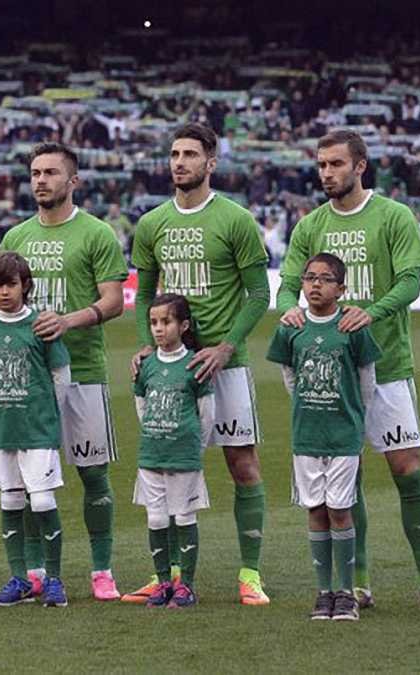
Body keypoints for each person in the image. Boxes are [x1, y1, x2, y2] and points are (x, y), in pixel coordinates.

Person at [277, 130, 420, 615]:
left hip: (389, 367)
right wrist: (288, 308)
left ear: (360, 166)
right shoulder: (310, 225)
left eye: (336, 164)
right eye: (321, 165)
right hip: (330, 378)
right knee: (344, 483)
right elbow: (288, 284)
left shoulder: (394, 216)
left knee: (407, 470)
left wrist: (371, 313)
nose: (326, 173)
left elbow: (411, 282)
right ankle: (356, 584)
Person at [0, 143, 128, 601]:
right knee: (23, 482)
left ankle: (101, 570)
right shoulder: (15, 235)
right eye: (35, 172)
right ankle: (35, 573)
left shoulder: (96, 233)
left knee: (92, 473)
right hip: (26, 383)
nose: (41, 180)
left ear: (72, 181)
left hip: (83, 371)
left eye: (51, 173)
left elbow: (113, 301)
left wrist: (66, 321)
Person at [130, 122, 272, 606]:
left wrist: (226, 347)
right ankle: (170, 576)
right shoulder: (152, 223)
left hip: (224, 365)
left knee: (242, 464)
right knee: (168, 468)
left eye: (190, 154)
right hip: (171, 367)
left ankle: (250, 574)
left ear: (211, 163)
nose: (179, 162)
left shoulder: (236, 219)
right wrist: (146, 345)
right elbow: (143, 295)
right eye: (174, 154)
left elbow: (259, 294)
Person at [267, 253, 381, 622]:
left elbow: (367, 379)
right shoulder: (291, 327)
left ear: (341, 288)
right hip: (307, 434)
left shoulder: (352, 327)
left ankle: (346, 592)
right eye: (310, 277)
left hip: (343, 434)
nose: (316, 284)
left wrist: (355, 419)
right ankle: (323, 592)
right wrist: (307, 404)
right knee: (315, 510)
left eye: (326, 278)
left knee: (340, 510)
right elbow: (289, 376)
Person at [0, 252, 72, 608]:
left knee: (43, 500)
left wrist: (46, 414)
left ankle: (54, 579)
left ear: (25, 285)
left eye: (11, 284)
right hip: (2, 430)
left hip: (38, 429)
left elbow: (61, 375)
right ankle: (20, 579)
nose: (4, 292)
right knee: (10, 501)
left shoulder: (41, 325)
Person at [133, 294, 215, 609]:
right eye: (153, 322)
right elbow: (141, 406)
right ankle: (164, 581)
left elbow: (206, 414)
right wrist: (156, 432)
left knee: (184, 516)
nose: (158, 328)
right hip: (151, 454)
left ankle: (186, 586)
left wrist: (194, 446)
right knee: (156, 519)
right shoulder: (145, 365)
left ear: (183, 326)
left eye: (166, 322)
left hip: (184, 455)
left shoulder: (195, 363)